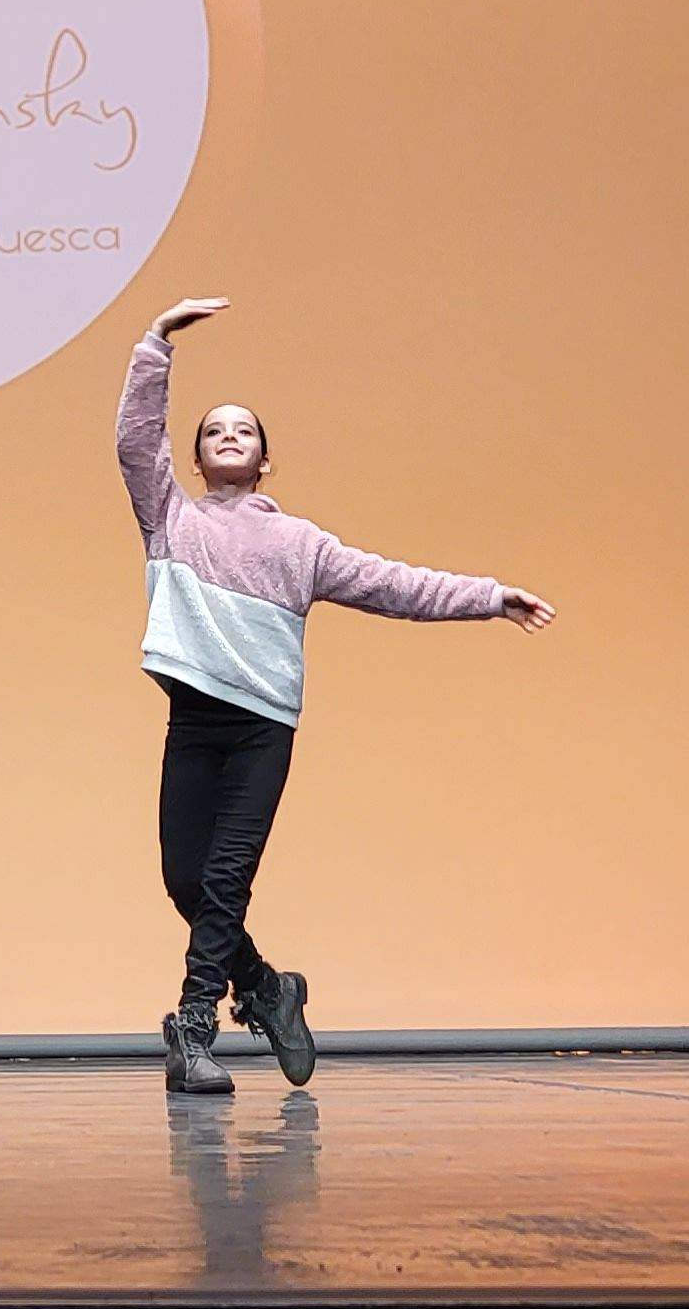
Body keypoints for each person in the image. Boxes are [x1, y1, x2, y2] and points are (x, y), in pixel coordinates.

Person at [119, 296, 554, 1097]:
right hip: (193, 722)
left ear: (264, 461)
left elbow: (397, 583)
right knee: (185, 880)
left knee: (224, 880)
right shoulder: (169, 518)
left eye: (242, 430)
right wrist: (156, 344)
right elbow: (134, 440)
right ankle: (269, 991)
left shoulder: (300, 543)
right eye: (213, 430)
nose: (227, 438)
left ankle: (193, 1027)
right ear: (195, 455)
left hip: (260, 730)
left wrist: (491, 595)